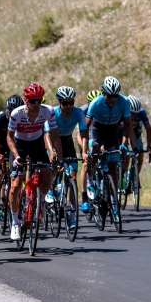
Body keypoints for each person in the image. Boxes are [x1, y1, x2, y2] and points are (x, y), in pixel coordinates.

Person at [6, 83, 62, 240]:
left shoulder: (48, 111)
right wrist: (16, 156)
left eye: (39, 100)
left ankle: (40, 201)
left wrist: (56, 155)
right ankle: (15, 222)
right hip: (19, 145)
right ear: (26, 100)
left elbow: (55, 136)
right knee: (15, 185)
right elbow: (9, 137)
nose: (37, 104)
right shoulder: (16, 114)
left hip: (36, 143)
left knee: (47, 174)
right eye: (33, 101)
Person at [82, 76, 131, 214]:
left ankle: (114, 201)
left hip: (113, 131)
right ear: (104, 93)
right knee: (96, 152)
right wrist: (85, 148)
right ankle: (90, 182)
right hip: (98, 129)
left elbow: (127, 125)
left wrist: (123, 143)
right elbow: (85, 126)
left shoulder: (124, 102)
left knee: (113, 167)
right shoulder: (96, 103)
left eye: (115, 96)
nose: (113, 99)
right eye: (110, 96)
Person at [50, 86, 86, 231]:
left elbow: (83, 132)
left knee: (72, 175)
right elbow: (47, 134)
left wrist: (84, 151)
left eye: (71, 102)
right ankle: (51, 189)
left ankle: (71, 215)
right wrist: (52, 152)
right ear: (59, 103)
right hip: (53, 142)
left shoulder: (78, 112)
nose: (69, 106)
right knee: (53, 166)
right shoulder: (52, 113)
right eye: (65, 103)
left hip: (67, 142)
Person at [0, 95, 24, 218]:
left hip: (14, 146)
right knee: (0, 172)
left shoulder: (22, 117)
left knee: (18, 175)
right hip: (1, 146)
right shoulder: (0, 118)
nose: (12, 115)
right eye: (10, 112)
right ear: (6, 109)